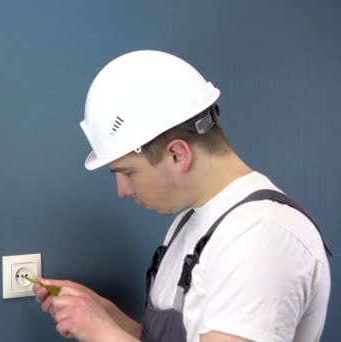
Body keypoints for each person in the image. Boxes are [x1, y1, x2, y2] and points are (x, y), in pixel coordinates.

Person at [32, 50, 332, 342]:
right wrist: (104, 316)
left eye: (127, 172)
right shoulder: (189, 224)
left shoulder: (264, 236)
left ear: (177, 154)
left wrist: (102, 333)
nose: (122, 191)